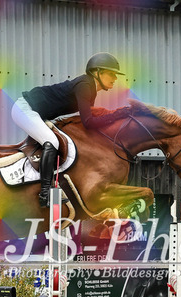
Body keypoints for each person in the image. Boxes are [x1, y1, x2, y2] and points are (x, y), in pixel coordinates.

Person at [12, 52, 130, 207]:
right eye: (111, 74)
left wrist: (116, 116)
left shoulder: (90, 88)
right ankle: (45, 194)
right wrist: (116, 114)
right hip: (25, 109)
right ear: (97, 72)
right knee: (52, 142)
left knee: (59, 141)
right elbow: (88, 122)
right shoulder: (85, 86)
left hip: (37, 114)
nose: (115, 78)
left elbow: (91, 121)